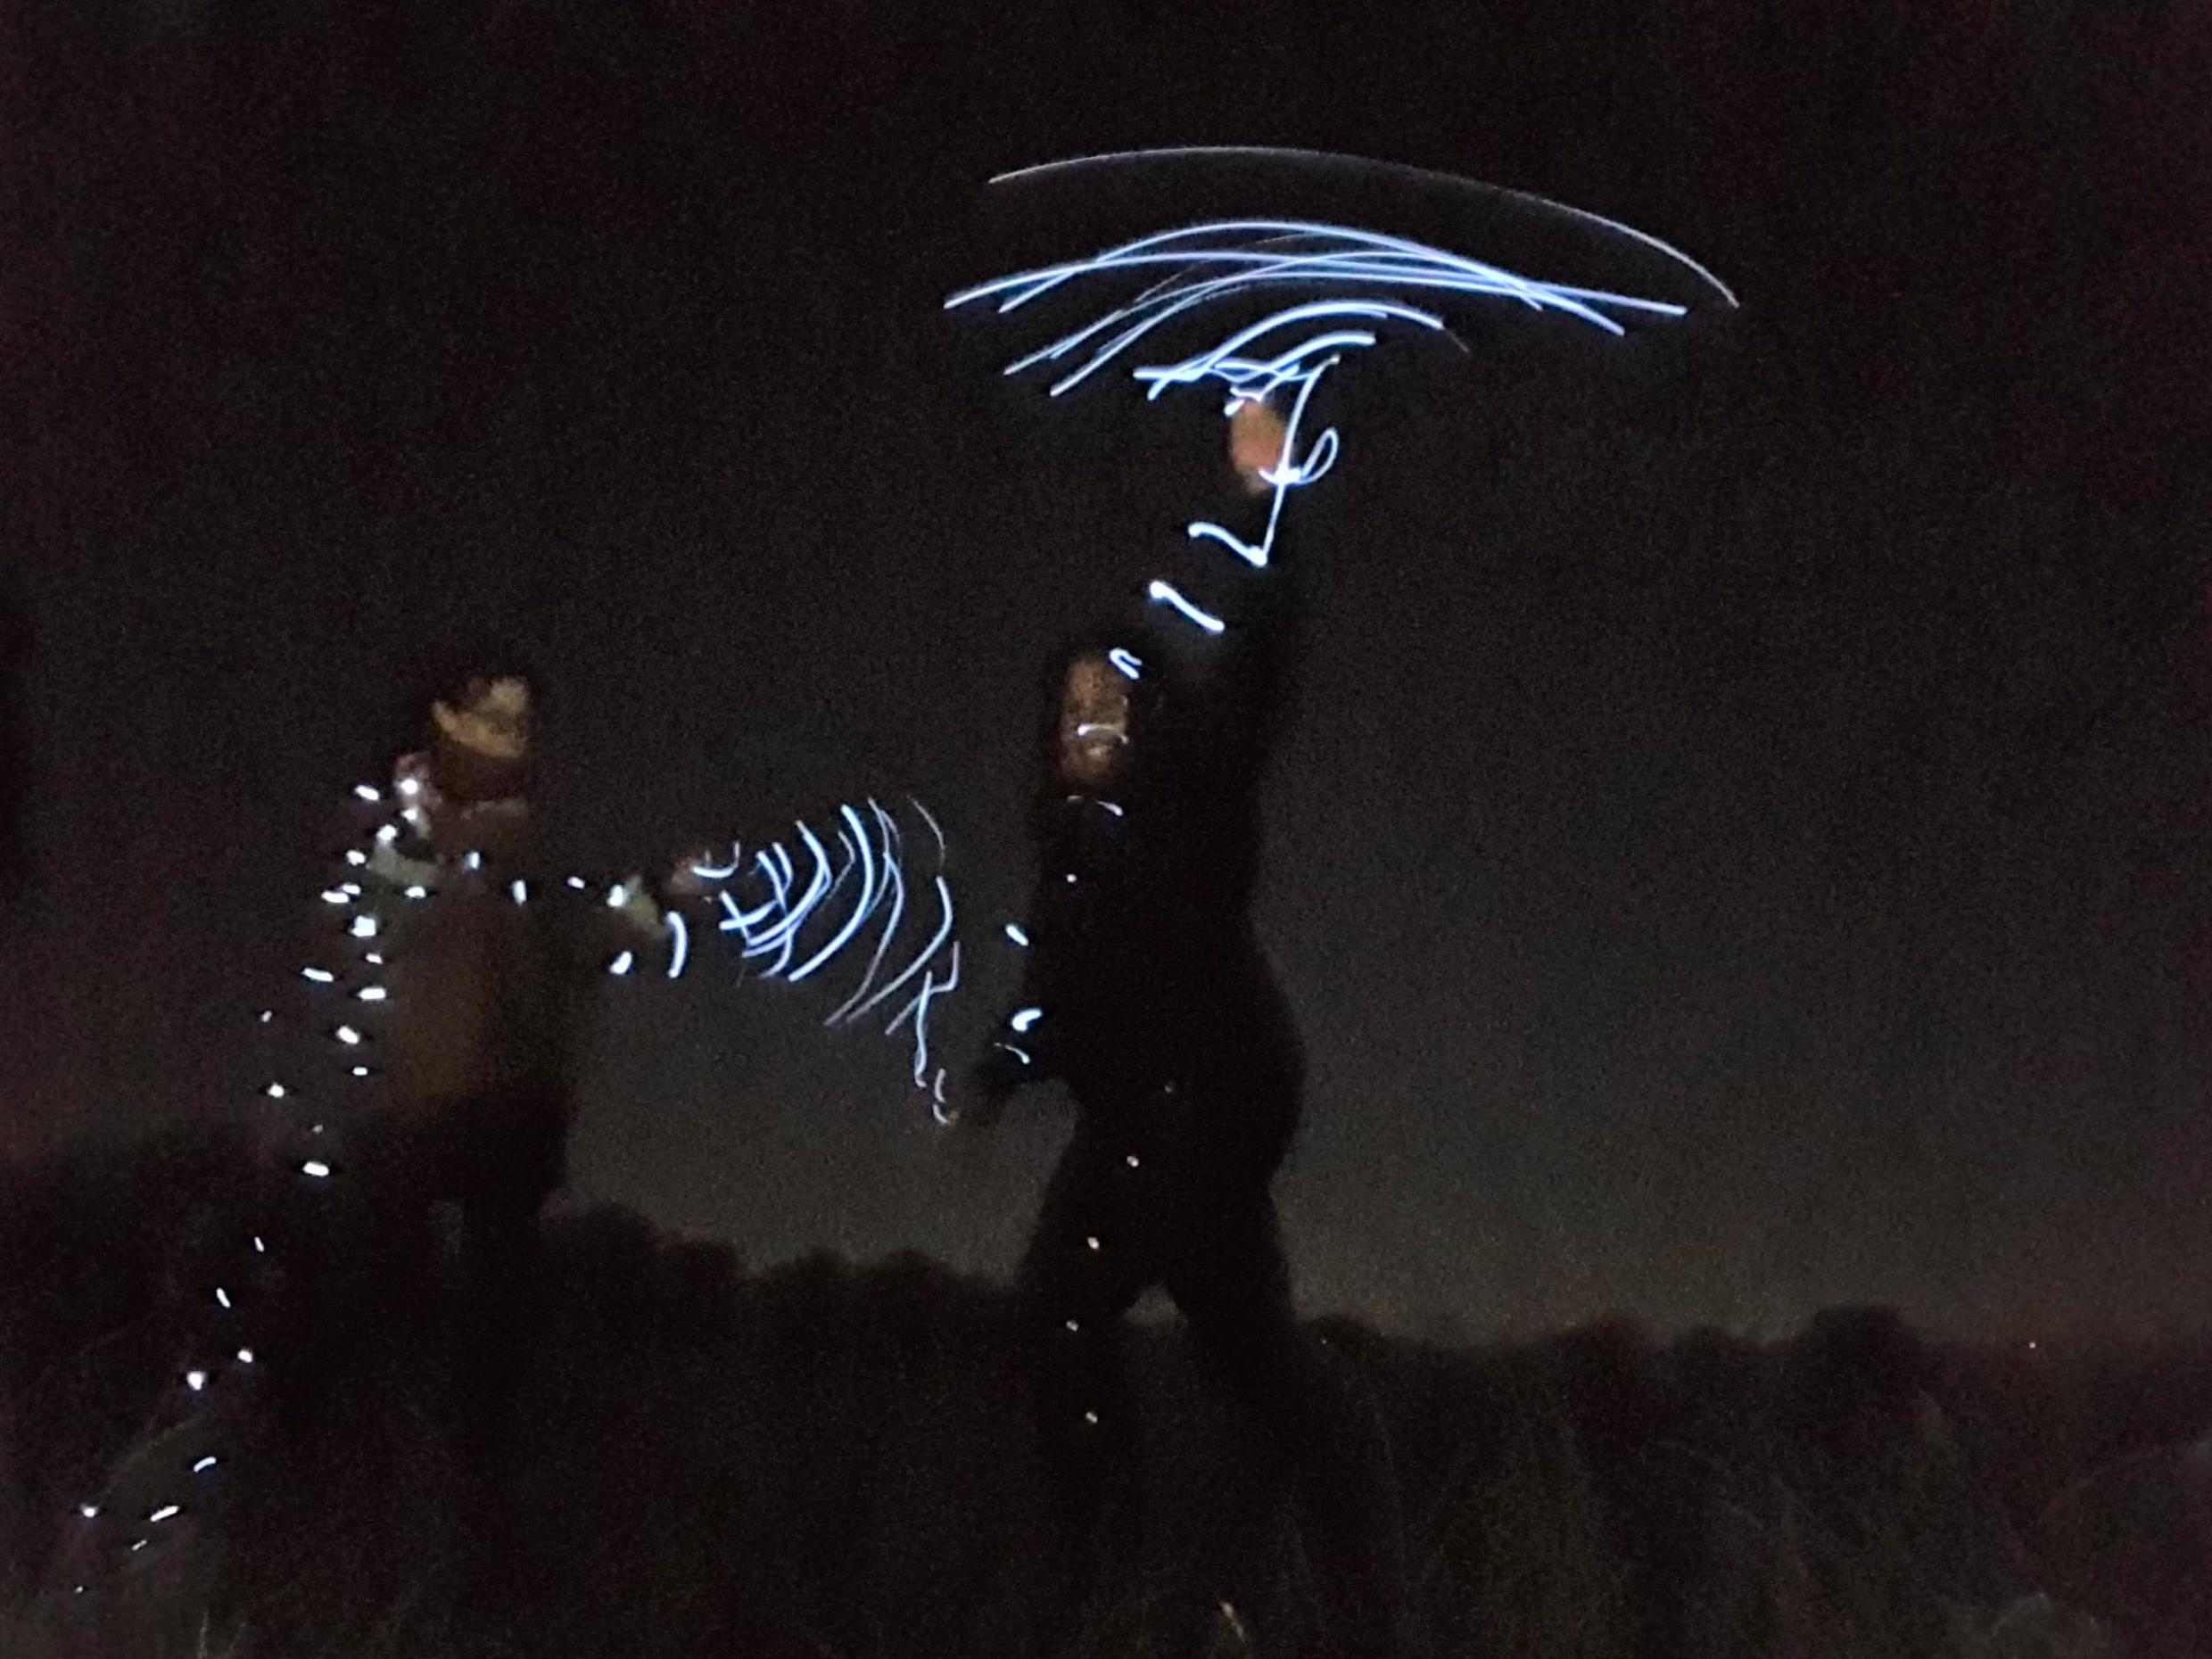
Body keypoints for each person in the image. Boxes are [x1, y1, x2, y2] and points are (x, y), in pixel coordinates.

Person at [965, 395, 1408, 1656]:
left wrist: (1266, 497)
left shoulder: (1189, 797)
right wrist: (1008, 1061)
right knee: (1228, 1350)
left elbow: (1261, 667)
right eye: (1072, 707)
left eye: (1112, 700)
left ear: (1148, 714)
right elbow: (1068, 997)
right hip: (1148, 1127)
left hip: (1203, 1117)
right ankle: (1227, 1568)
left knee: (1074, 1310)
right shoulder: (1066, 858)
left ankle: (1158, 1570)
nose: (1091, 720)